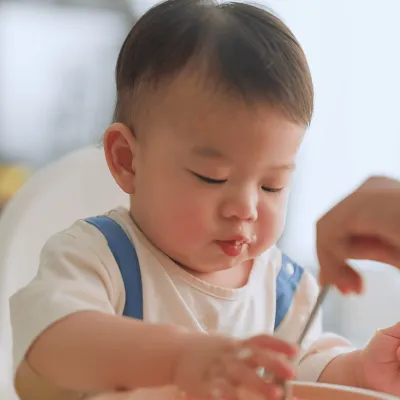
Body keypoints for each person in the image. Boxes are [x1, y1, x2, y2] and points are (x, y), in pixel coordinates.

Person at [8, 1, 400, 399]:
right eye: (213, 178)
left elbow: (298, 372)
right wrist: (180, 358)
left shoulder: (282, 288)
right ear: (128, 160)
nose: (245, 208)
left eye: (272, 186)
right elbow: (52, 343)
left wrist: (359, 370)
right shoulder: (98, 258)